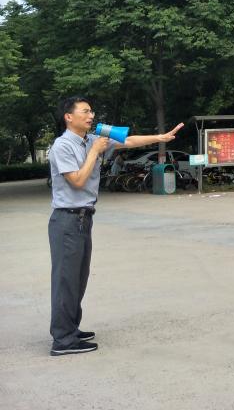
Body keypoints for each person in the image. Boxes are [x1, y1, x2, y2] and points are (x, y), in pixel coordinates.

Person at [48, 96, 183, 356]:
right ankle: (62, 341)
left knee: (78, 278)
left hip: (83, 218)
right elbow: (77, 180)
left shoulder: (90, 139)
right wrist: (94, 152)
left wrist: (160, 137)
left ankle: (71, 328)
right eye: (85, 111)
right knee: (66, 280)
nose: (91, 115)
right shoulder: (62, 146)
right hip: (66, 220)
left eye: (92, 111)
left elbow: (128, 141)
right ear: (69, 117)